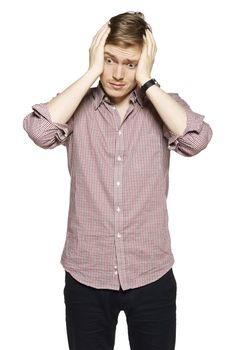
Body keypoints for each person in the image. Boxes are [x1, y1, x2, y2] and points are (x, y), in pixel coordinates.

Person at [23, 11, 213, 350]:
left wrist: (148, 81)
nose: (117, 73)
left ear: (143, 63)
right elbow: (39, 131)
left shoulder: (163, 106)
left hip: (150, 274)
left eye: (129, 63)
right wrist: (91, 71)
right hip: (87, 275)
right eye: (110, 60)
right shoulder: (76, 105)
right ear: (99, 55)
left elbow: (196, 140)